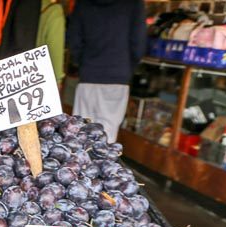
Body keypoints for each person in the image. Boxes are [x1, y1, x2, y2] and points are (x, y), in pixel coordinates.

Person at [68, 0, 147, 142]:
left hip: (89, 75)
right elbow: (138, 45)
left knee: (81, 133)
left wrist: (83, 63)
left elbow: (74, 41)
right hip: (118, 76)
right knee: (107, 136)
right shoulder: (133, 4)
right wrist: (127, 68)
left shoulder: (82, 3)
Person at [36, 0, 65, 87]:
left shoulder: (16, 5)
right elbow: (55, 53)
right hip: (40, 82)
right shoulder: (53, 12)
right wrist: (57, 82)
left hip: (15, 79)